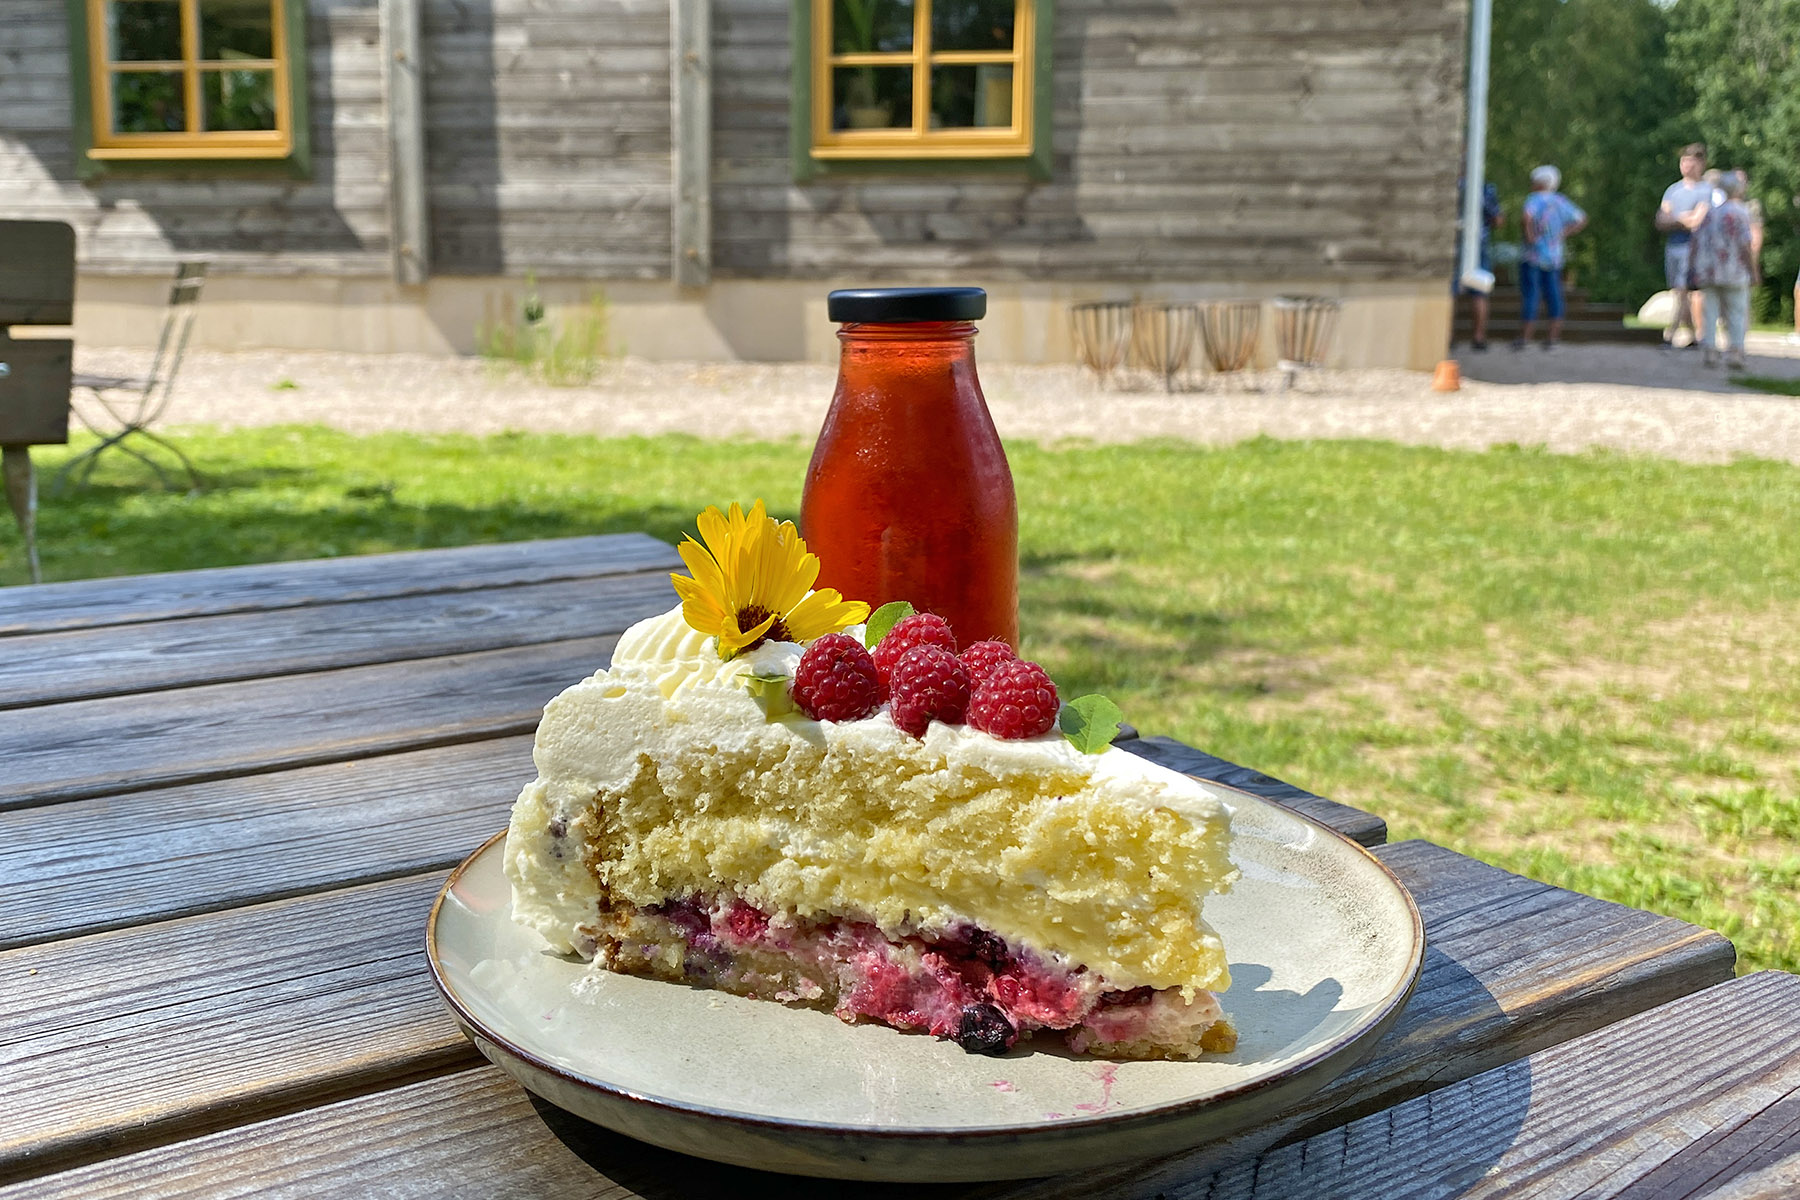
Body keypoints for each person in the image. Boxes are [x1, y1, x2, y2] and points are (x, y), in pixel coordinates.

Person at [1516, 165, 1587, 350]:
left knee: (1531, 294)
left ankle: (1525, 338)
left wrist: (1530, 235)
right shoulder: (1560, 201)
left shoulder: (1534, 199)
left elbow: (1526, 217)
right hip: (1554, 256)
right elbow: (1581, 219)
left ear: (1538, 183)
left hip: (1532, 255)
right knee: (1554, 295)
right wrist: (1563, 233)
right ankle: (1552, 338)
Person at [1691, 171, 1757, 369]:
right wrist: (1753, 270)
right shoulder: (1741, 212)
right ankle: (1736, 351)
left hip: (1709, 270)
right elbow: (1746, 244)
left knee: (1709, 311)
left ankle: (1710, 350)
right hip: (1734, 270)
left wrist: (1694, 267)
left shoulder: (1710, 213)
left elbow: (1696, 242)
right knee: (1736, 311)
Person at [1656, 144, 1713, 349]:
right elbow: (1661, 220)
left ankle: (1671, 334)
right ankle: (1693, 337)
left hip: (1695, 248)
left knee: (1687, 290)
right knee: (1678, 291)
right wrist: (1684, 219)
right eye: (1684, 161)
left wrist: (1675, 218)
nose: (1687, 166)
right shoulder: (1673, 190)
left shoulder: (1706, 190)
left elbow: (1698, 220)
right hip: (1674, 246)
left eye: (1692, 162)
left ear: (1701, 164)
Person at [1455, 177, 1503, 349]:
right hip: (1478, 245)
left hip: (1451, 244)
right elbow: (1498, 220)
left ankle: (1447, 337)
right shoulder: (1484, 189)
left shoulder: (1450, 184)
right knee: (1479, 292)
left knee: (1450, 290)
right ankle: (1478, 337)